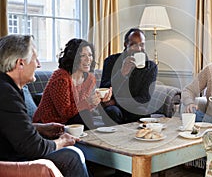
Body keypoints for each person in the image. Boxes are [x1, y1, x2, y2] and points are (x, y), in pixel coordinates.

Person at [0, 34, 90, 177]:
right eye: (35, 59)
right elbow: (33, 147)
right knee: (72, 156)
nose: (39, 64)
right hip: (9, 160)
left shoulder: (8, 88)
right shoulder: (6, 94)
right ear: (20, 63)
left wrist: (41, 128)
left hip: (12, 150)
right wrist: (61, 142)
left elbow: (8, 127)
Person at [33, 38, 112, 130]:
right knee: (84, 116)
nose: (88, 59)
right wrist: (89, 102)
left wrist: (99, 100)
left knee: (86, 115)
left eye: (90, 55)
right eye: (83, 55)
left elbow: (82, 107)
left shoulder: (90, 79)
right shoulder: (61, 78)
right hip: (47, 124)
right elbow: (65, 113)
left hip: (71, 121)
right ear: (73, 57)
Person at [99, 28, 158, 124]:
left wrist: (116, 101)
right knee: (111, 112)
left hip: (133, 106)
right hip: (114, 108)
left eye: (142, 44)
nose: (139, 49)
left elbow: (145, 99)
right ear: (126, 45)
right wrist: (122, 73)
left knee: (143, 112)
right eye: (134, 44)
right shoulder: (110, 61)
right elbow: (104, 91)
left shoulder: (151, 67)